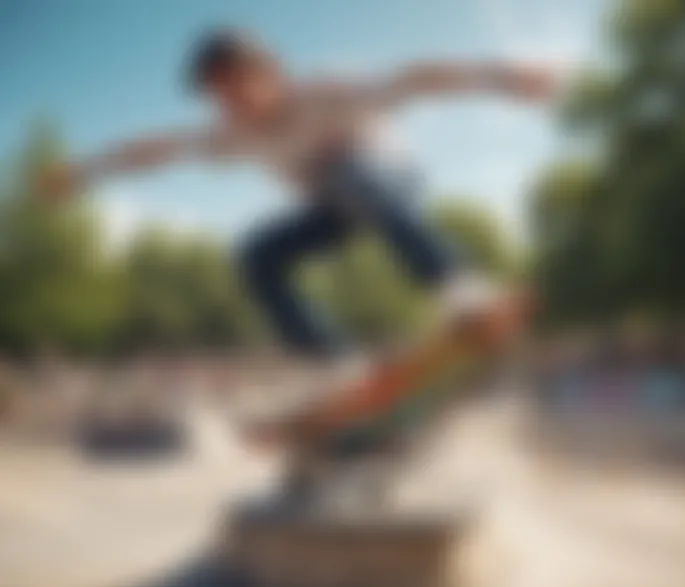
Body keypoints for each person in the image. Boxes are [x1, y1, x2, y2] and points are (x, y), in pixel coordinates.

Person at [45, 29, 556, 363]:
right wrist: (86, 172)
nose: (234, 103)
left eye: (241, 86)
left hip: (391, 180)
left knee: (346, 171)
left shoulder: (327, 91)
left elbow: (416, 79)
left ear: (270, 74)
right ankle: (331, 360)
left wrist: (505, 77)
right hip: (333, 209)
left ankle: (461, 291)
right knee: (255, 255)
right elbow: (158, 149)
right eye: (220, 96)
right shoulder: (235, 136)